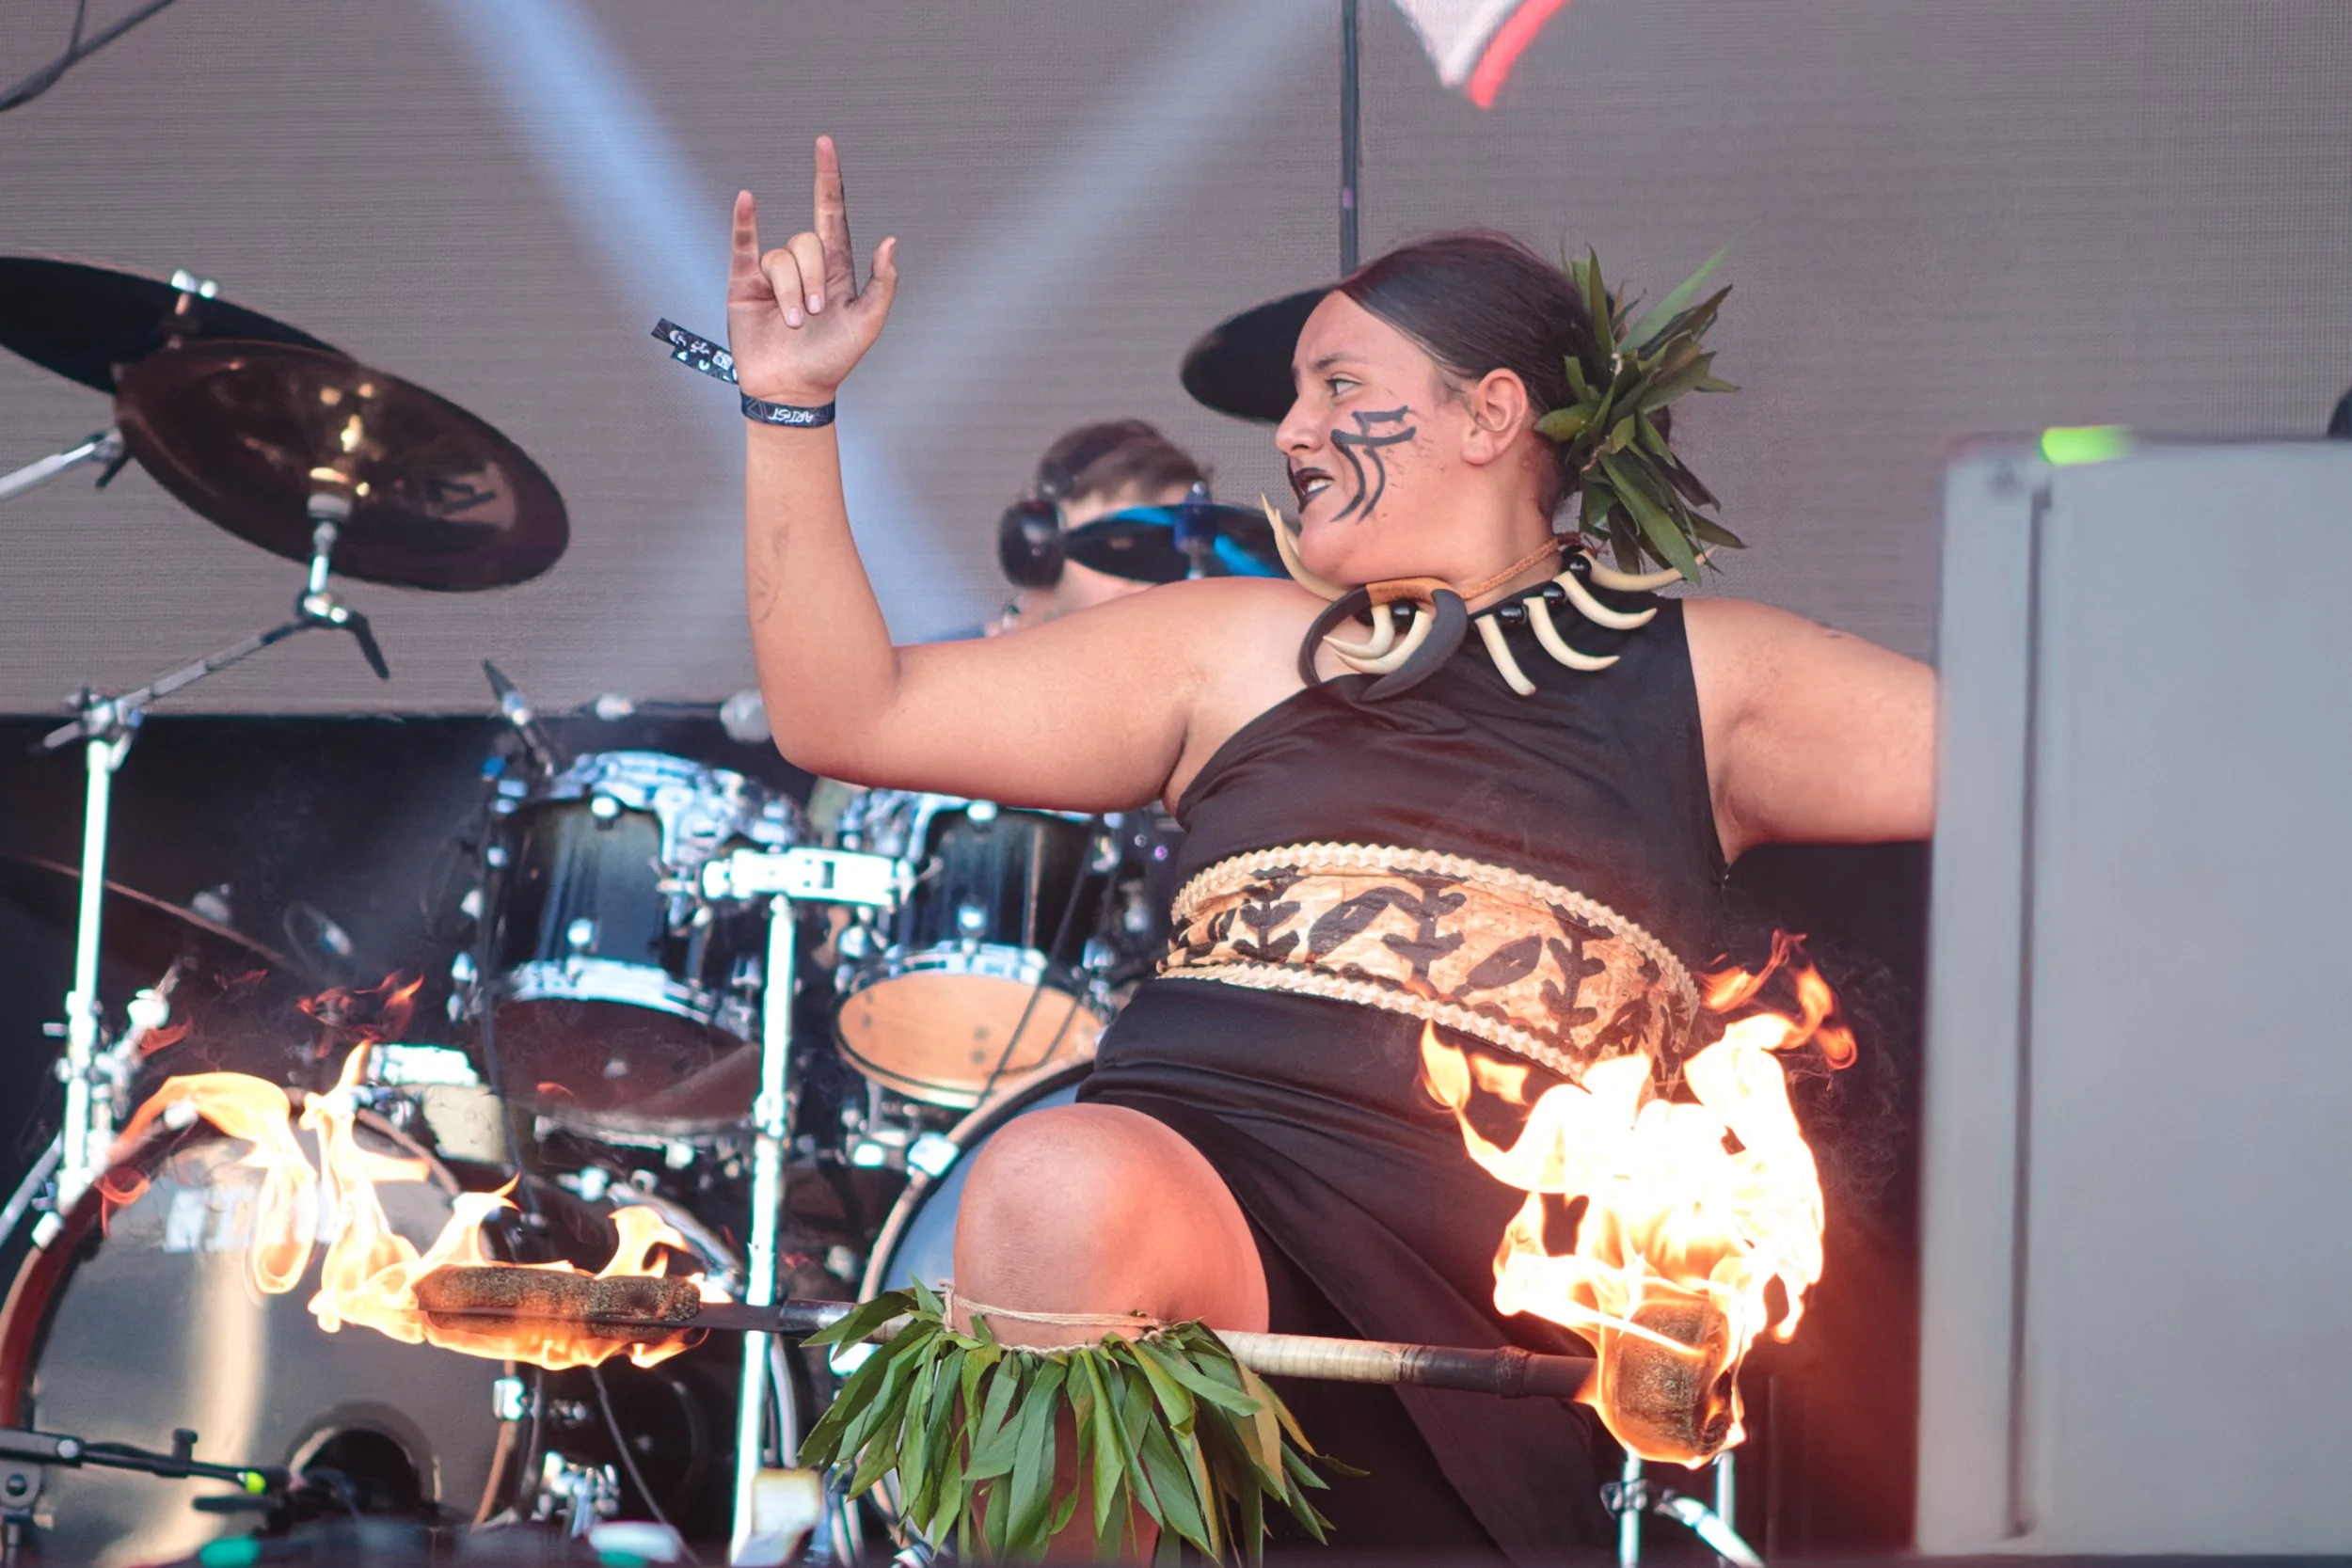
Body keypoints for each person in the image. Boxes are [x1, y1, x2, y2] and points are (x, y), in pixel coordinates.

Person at [726, 138, 1934, 1560]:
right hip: (1202, 1192)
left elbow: (2062, 753)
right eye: (1298, 397)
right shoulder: (1237, 645)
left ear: (1490, 413)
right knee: (1056, 1181)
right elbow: (845, 712)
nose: (1293, 431)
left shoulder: (1710, 675)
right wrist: (788, 410)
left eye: (1339, 387)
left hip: (1490, 1293)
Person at [988, 419, 1212, 634]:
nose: (1151, 582)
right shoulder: (968, 659)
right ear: (1040, 550)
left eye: (1177, 550)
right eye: (1122, 544)